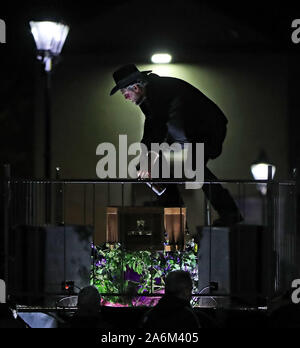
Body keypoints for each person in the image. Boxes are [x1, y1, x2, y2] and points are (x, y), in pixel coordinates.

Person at [110, 64, 243, 226]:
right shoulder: (148, 97)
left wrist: (150, 157)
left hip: (207, 129)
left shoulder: (160, 90)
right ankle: (174, 212)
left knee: (195, 167)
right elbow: (150, 127)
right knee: (155, 166)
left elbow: (159, 125)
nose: (127, 99)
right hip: (185, 134)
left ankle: (229, 212)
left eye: (125, 94)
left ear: (136, 88)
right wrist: (145, 157)